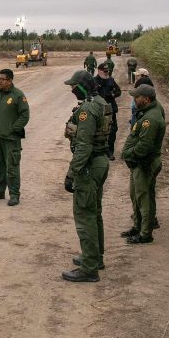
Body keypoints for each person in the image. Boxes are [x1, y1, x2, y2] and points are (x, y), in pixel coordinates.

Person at [61, 71, 111, 283]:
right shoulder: (100, 102)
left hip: (89, 166)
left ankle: (89, 268)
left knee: (85, 215)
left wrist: (71, 173)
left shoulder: (88, 109)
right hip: (100, 162)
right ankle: (95, 258)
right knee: (94, 212)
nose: (72, 90)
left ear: (82, 86)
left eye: (74, 86)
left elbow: (83, 145)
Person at [120, 84, 166, 244]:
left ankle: (145, 234)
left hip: (144, 162)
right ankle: (138, 226)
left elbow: (144, 146)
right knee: (136, 195)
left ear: (146, 99)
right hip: (140, 162)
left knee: (143, 198)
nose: (134, 100)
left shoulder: (150, 119)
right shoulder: (151, 110)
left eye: (137, 97)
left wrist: (130, 154)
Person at [0, 68, 30, 206]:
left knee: (12, 166)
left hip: (11, 139)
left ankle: (14, 195)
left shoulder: (18, 95)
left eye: (3, 79)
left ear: (10, 80)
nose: (0, 81)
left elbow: (25, 115)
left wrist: (13, 129)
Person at [94, 63, 121, 161]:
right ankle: (100, 151)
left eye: (107, 71)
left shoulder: (111, 80)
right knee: (100, 131)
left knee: (113, 130)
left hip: (110, 109)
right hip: (99, 110)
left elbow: (118, 91)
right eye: (104, 72)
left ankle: (110, 151)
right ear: (99, 71)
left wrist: (112, 95)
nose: (106, 73)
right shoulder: (94, 81)